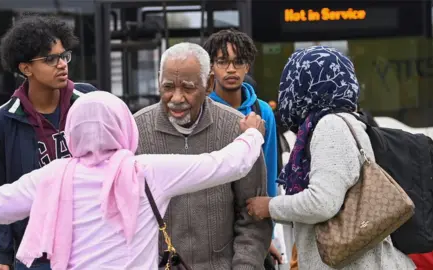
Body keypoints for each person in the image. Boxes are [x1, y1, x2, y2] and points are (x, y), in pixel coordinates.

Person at [0, 91, 266, 270]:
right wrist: (252, 134)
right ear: (124, 126)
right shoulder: (146, 171)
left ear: (72, 130)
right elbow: (225, 165)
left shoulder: (55, 175)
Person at [246, 46, 415, 269]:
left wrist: (269, 206)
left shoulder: (330, 127)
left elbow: (322, 203)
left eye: (291, 81)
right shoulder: (335, 122)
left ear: (308, 85)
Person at [134, 42, 272, 269]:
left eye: (188, 88)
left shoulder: (237, 129)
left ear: (208, 84)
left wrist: (245, 266)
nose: (176, 98)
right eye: (168, 87)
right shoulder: (136, 131)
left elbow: (252, 218)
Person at [0, 16, 96, 270]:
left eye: (64, 55)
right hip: (36, 254)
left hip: (91, 245)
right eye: (50, 59)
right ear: (26, 68)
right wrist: (1, 257)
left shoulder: (89, 100)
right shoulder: (3, 120)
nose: (61, 65)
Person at [203, 29, 281, 265]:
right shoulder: (202, 109)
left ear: (247, 66)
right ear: (211, 68)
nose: (230, 69)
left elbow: (269, 175)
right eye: (222, 62)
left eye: (238, 62)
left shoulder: (261, 112)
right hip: (210, 218)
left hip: (250, 216)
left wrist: (267, 234)